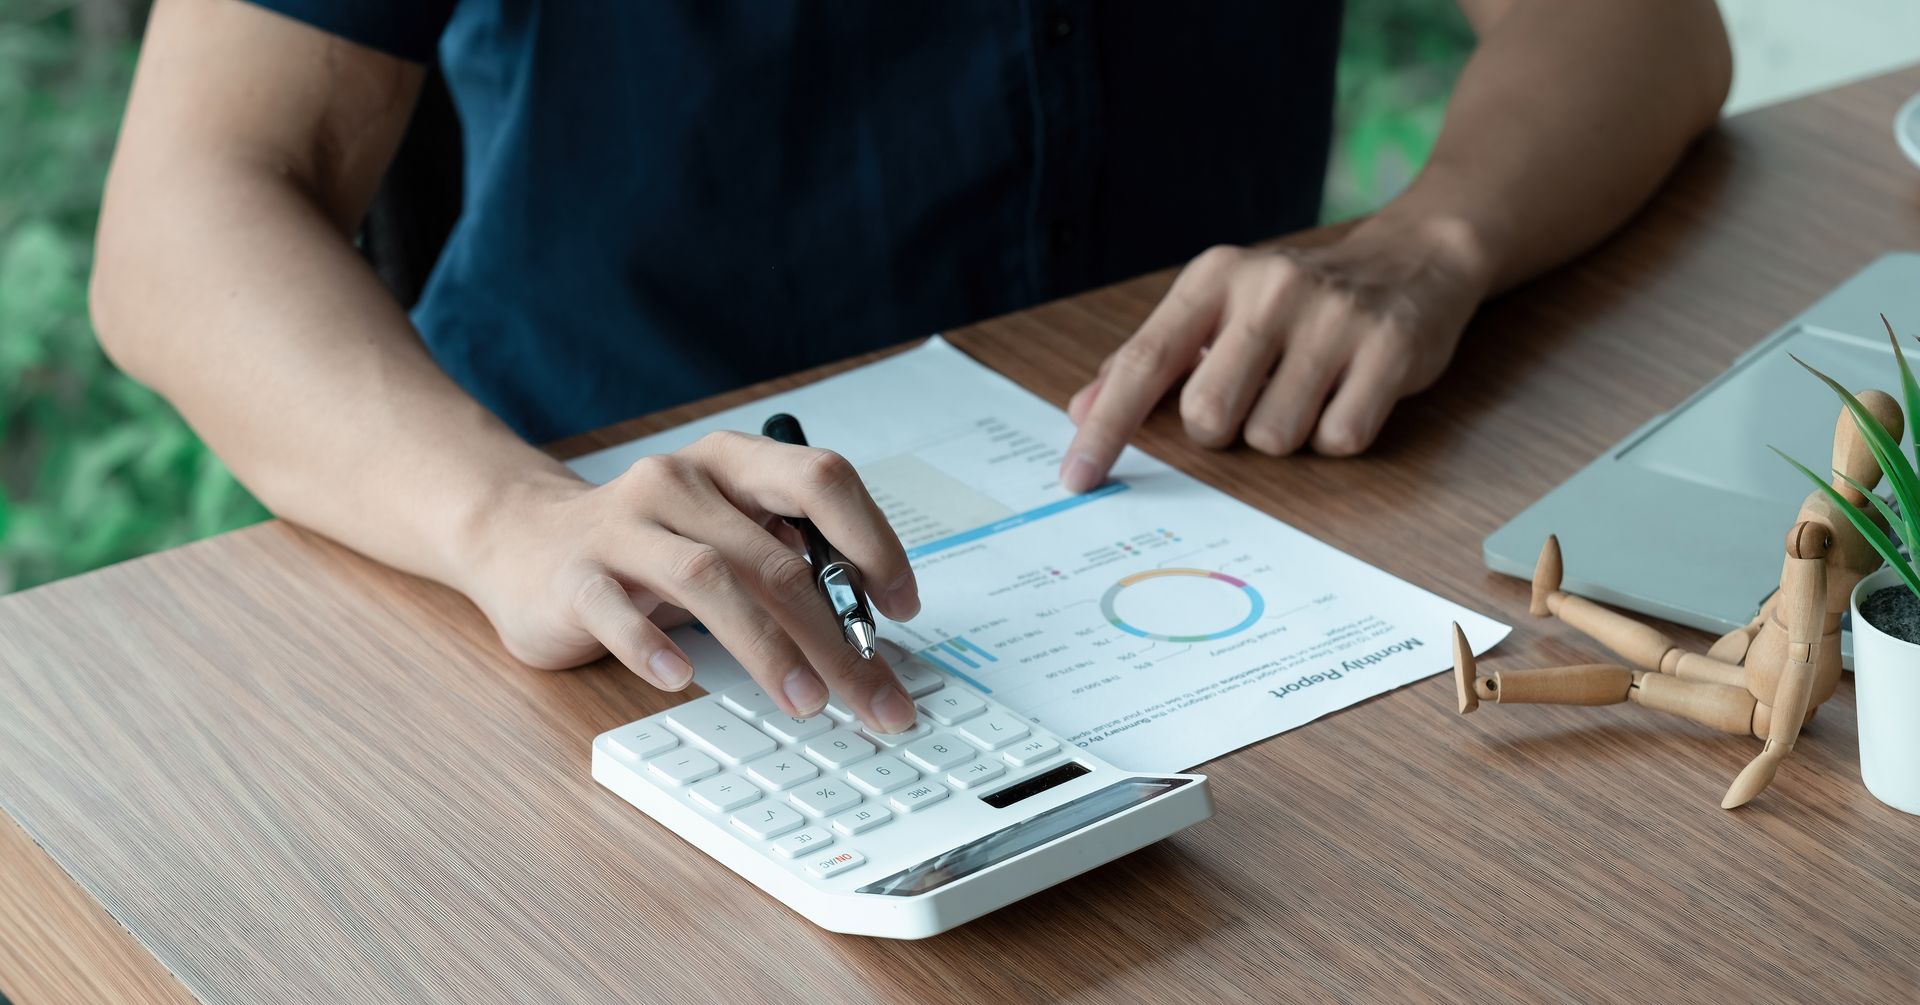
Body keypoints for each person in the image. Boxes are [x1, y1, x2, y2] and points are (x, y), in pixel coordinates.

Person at [90, 1, 1731, 734]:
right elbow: (183, 216)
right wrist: (506, 515)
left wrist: (1438, 235)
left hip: (1198, 520)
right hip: (596, 568)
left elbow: (1644, 21)